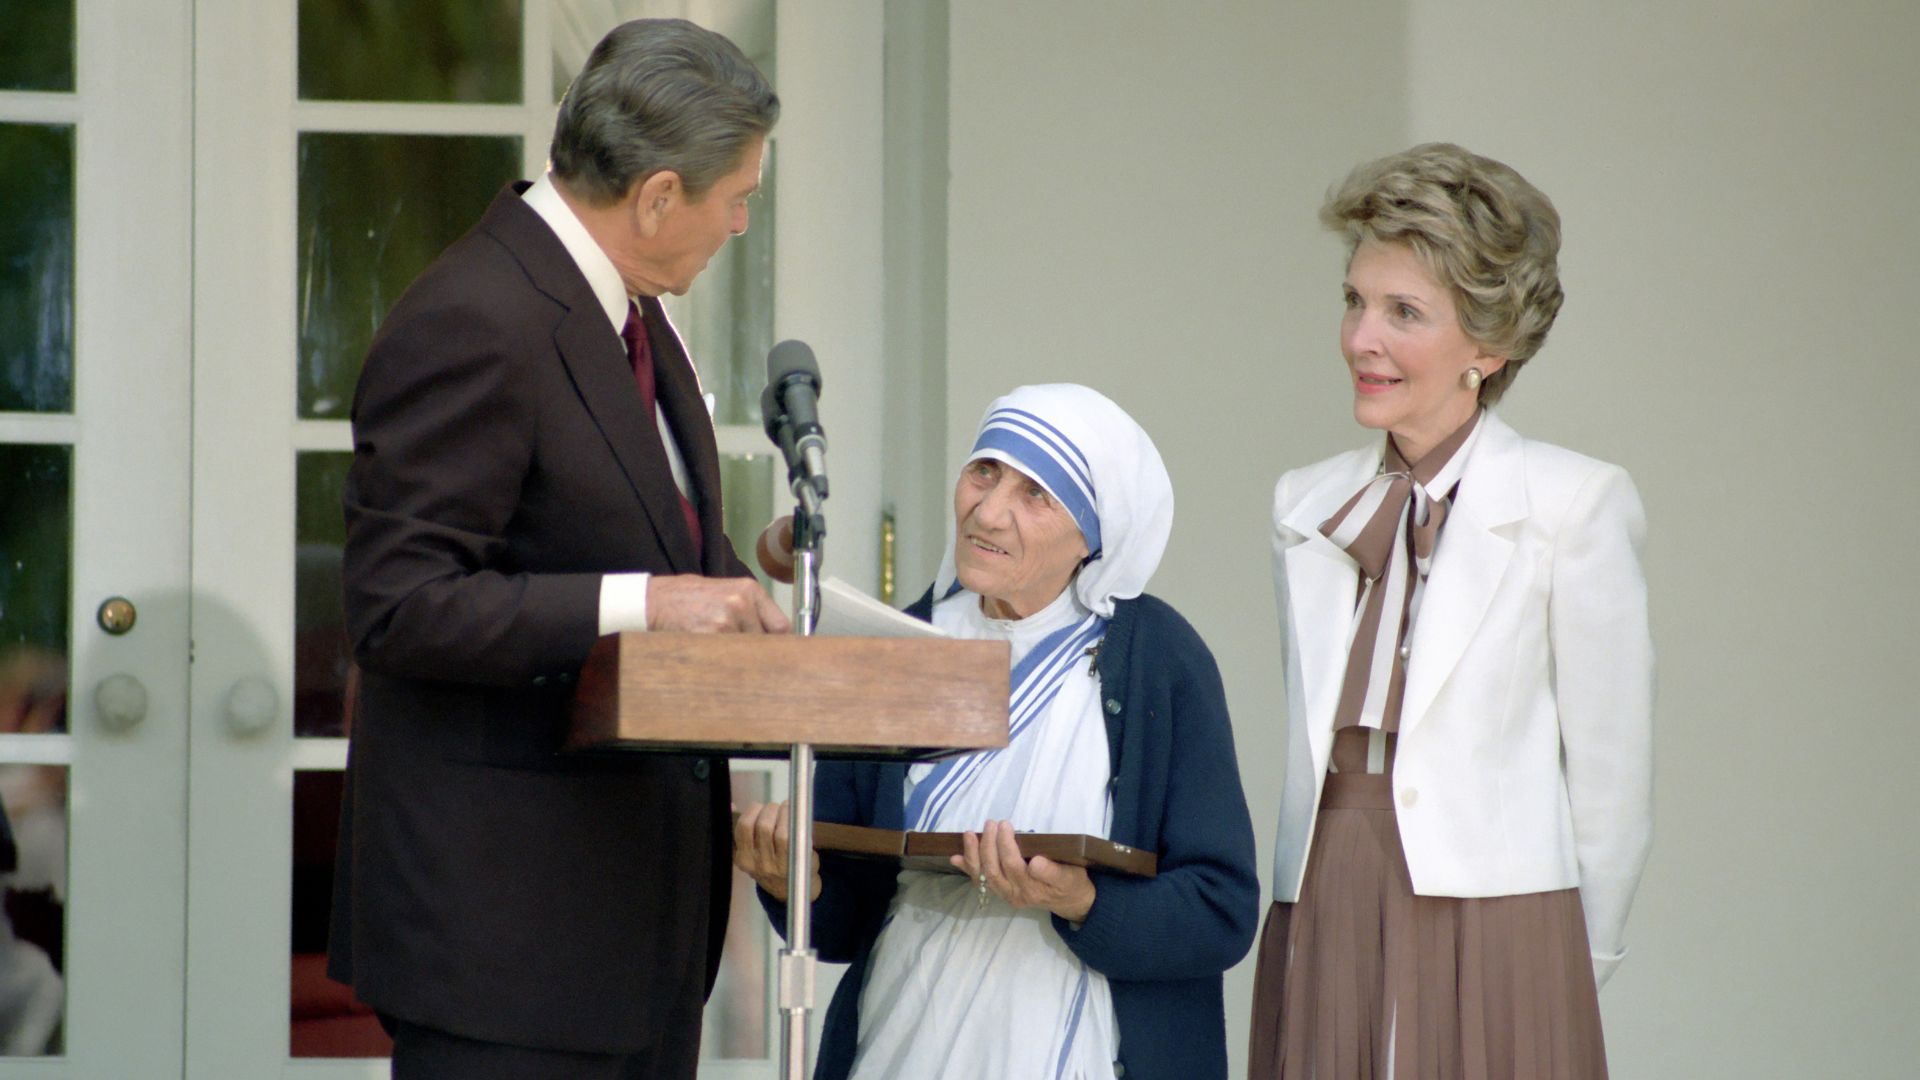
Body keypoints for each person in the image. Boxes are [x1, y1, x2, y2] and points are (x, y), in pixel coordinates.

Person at [327, 18, 788, 1079]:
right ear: (661, 194)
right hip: (506, 951)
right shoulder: (475, 317)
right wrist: (651, 604)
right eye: (740, 197)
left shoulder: (632, 311)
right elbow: (401, 605)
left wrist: (736, 571)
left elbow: (620, 516)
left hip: (632, 942)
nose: (742, 224)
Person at [1248, 143, 1654, 1079]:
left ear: (1489, 344)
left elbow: (1611, 776)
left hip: (1504, 906)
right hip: (1322, 885)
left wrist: (1571, 959)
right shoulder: (1301, 506)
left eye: (1403, 313)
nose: (1361, 339)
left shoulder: (1575, 504)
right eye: (1354, 301)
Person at [736, 384, 1260, 1080]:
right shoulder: (899, 647)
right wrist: (791, 883)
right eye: (985, 471)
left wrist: (1082, 901)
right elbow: (845, 923)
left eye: (1035, 494)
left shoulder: (1159, 660)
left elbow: (1219, 910)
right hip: (903, 1041)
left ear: (1094, 536)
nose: (987, 511)